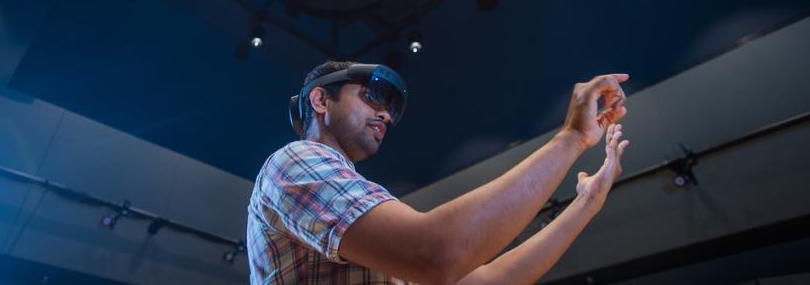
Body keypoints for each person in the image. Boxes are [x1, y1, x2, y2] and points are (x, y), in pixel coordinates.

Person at [247, 61, 630, 284]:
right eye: (373, 96)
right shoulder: (296, 162)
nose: (385, 115)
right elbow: (437, 252)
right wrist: (572, 138)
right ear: (320, 99)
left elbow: (488, 281)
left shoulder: (360, 213)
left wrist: (587, 203)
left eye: (392, 110)